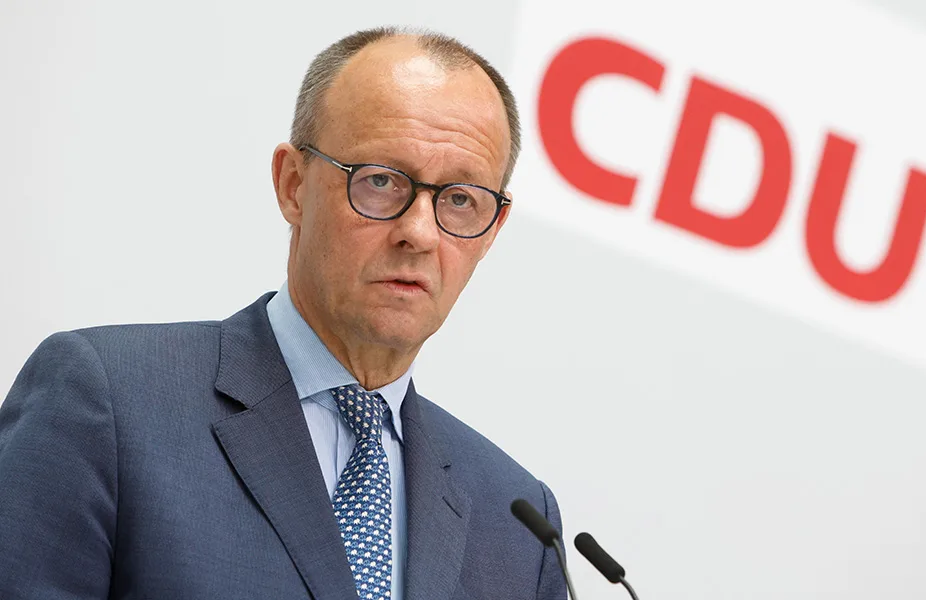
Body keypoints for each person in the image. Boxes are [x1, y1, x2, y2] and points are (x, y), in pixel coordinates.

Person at [0, 27, 566, 600]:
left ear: (493, 230)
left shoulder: (519, 527)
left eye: (461, 199)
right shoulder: (109, 402)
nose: (419, 233)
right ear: (293, 185)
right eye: (380, 181)